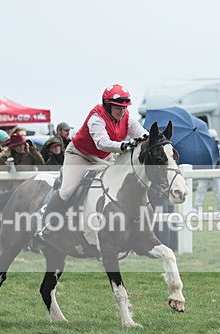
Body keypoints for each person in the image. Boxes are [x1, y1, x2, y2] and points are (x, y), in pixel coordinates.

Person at [35, 84, 148, 240]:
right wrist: (123, 145)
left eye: (124, 108)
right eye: (117, 108)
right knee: (67, 189)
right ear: (107, 106)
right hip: (80, 155)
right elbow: (101, 142)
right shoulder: (96, 118)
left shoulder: (126, 117)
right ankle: (45, 221)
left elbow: (142, 134)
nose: (122, 112)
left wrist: (153, 140)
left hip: (103, 157)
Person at [193, 128, 220, 212]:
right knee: (200, 189)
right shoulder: (204, 146)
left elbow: (218, 157)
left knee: (217, 191)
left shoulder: (219, 146)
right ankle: (196, 208)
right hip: (206, 171)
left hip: (215, 171)